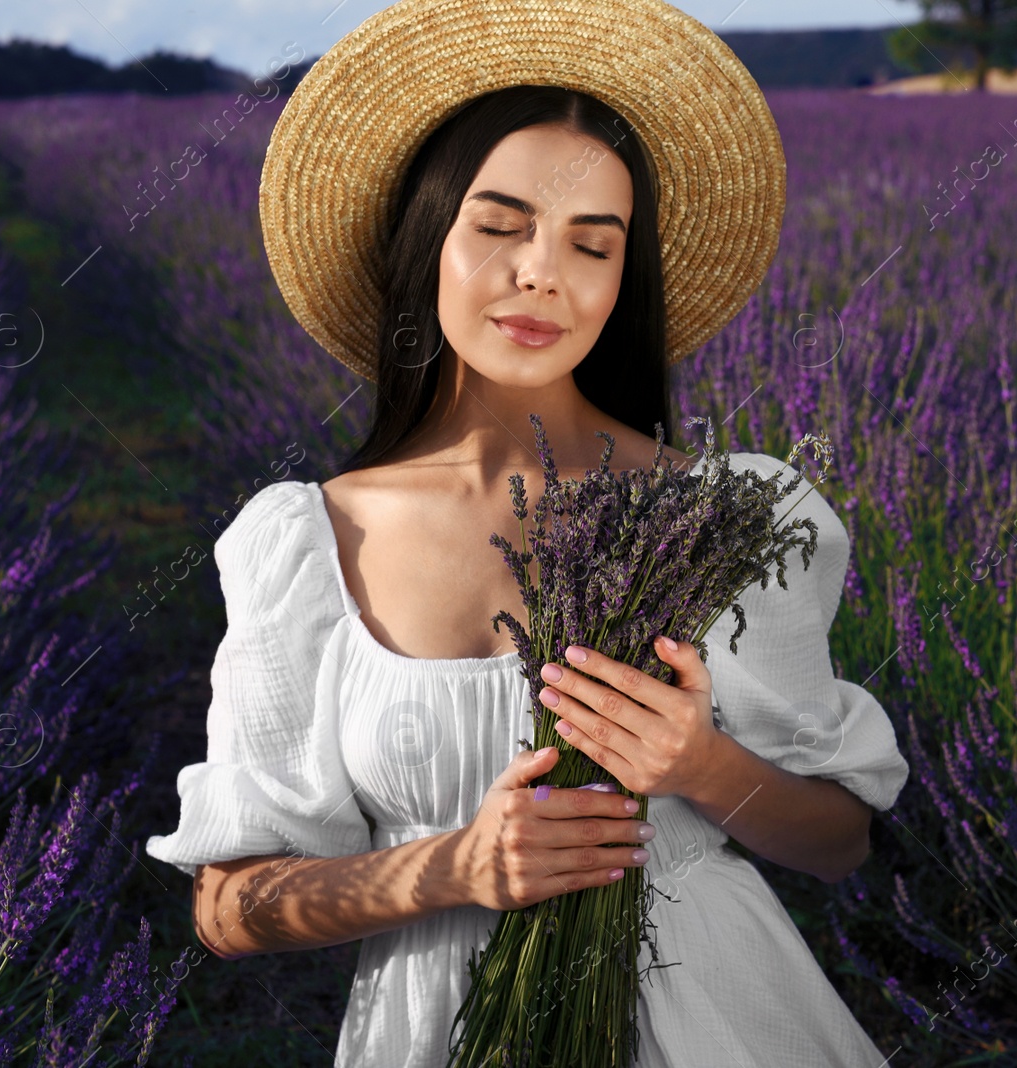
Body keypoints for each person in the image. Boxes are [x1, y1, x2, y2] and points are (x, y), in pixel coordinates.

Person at [146, 0, 911, 1063]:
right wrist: (455, 869)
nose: (541, 271)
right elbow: (229, 908)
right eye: (499, 227)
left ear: (617, 283)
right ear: (427, 243)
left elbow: (839, 842)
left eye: (590, 245)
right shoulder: (309, 542)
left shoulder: (726, 513)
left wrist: (699, 763)